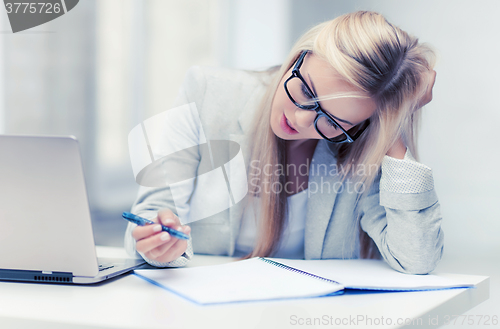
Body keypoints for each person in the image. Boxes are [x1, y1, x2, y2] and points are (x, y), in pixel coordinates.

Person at [124, 11, 442, 274]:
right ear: (300, 56)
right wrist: (159, 244)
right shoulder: (209, 94)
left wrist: (392, 124)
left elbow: (416, 259)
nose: (302, 121)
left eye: (331, 122)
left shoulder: (360, 142)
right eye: (306, 92)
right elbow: (150, 214)